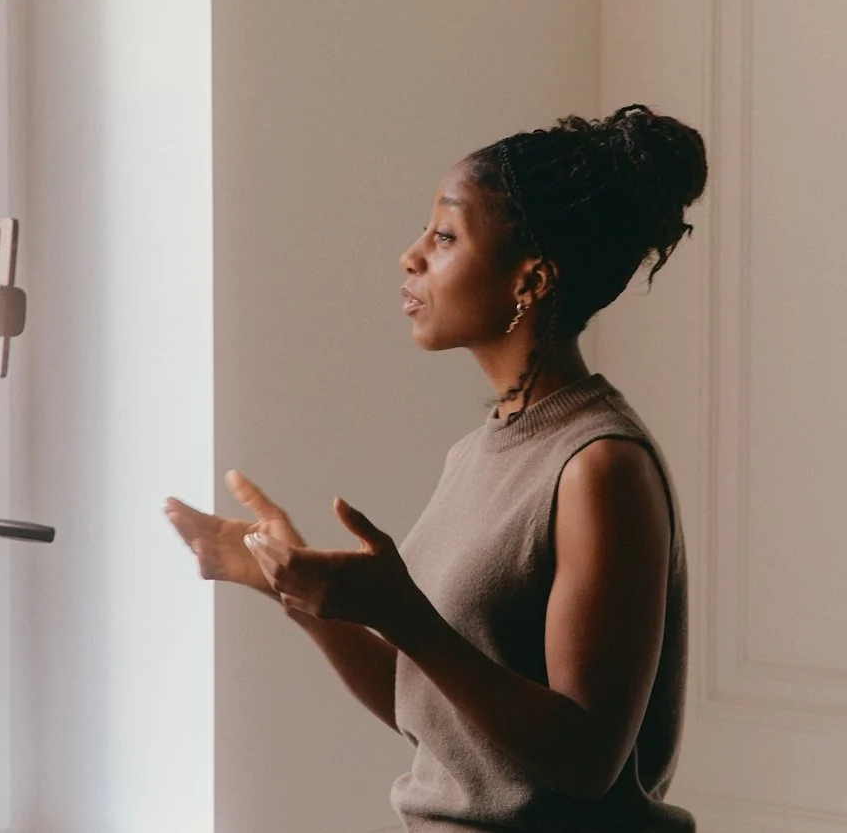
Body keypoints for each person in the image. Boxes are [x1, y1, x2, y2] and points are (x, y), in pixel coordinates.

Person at [164, 105, 706, 832]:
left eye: (445, 235)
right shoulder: (479, 450)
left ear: (532, 279)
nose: (410, 255)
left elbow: (586, 759)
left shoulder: (599, 467)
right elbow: (426, 704)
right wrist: (287, 583)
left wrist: (402, 612)